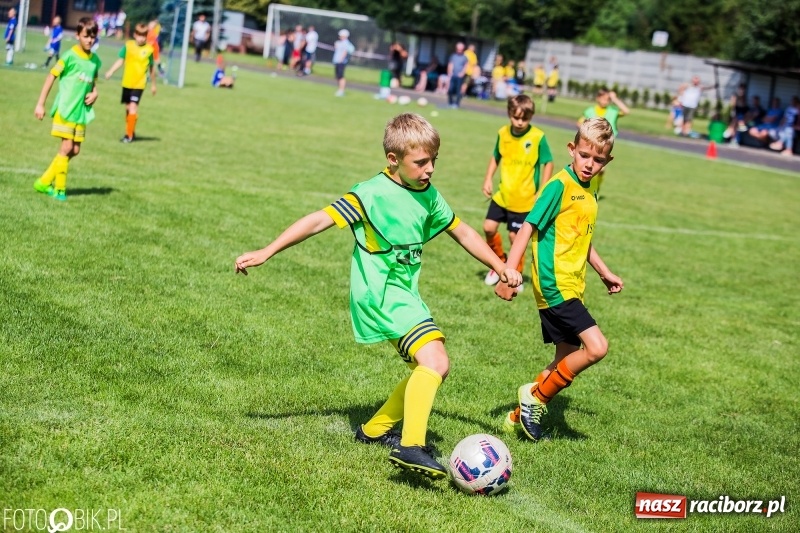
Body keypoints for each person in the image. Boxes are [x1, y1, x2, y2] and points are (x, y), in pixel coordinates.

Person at [235, 113, 522, 478]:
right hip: (379, 294)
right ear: (393, 159)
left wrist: (499, 265)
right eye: (420, 162)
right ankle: (411, 446)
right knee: (435, 362)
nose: (429, 169)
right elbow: (317, 220)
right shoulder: (370, 194)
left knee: (431, 367)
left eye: (433, 160)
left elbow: (462, 231)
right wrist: (266, 251)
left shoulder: (427, 194)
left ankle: (373, 431)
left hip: (404, 293)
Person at [494, 117, 624, 441]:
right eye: (584, 155)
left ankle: (514, 417)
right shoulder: (559, 186)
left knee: (565, 357)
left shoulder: (590, 189)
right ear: (572, 150)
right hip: (555, 286)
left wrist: (604, 271)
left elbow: (581, 237)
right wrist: (509, 271)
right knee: (597, 348)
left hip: (573, 286)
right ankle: (535, 399)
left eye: (598, 159)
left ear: (607, 161)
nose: (589, 164)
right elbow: (528, 226)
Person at [482, 94, 554, 289]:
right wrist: (488, 178)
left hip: (524, 199)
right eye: (516, 117)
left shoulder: (537, 137)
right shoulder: (503, 133)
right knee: (488, 227)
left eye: (525, 118)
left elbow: (548, 162)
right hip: (502, 194)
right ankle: (498, 264)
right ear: (509, 113)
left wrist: (542, 189)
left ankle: (515, 274)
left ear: (531, 116)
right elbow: (496, 156)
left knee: (516, 237)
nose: (520, 122)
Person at [32, 17, 101, 202]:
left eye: (93, 37)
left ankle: (44, 181)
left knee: (75, 150)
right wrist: (40, 103)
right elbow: (51, 76)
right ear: (78, 35)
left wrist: (95, 94)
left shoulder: (95, 61)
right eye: (86, 36)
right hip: (66, 109)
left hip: (81, 113)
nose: (89, 40)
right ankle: (60, 190)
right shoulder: (69, 56)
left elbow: (93, 83)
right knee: (67, 146)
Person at [104, 23, 156, 143]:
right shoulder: (128, 46)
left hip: (139, 84)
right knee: (128, 108)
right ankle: (131, 130)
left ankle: (128, 136)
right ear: (135, 35)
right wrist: (111, 71)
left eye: (144, 36)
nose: (141, 38)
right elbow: (120, 60)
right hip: (127, 82)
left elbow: (152, 69)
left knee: (133, 107)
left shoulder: (149, 50)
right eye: (139, 35)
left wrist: (153, 85)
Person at [578, 87, 629, 193]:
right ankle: (587, 188)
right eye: (604, 98)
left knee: (601, 170)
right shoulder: (590, 111)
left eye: (608, 99)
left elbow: (626, 111)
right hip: (591, 143)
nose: (606, 101)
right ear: (598, 98)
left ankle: (596, 188)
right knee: (589, 166)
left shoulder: (613, 111)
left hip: (606, 145)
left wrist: (615, 99)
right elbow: (579, 122)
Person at [332, 29, 354, 97]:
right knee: (338, 76)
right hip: (337, 61)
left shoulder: (346, 43)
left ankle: (342, 90)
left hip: (341, 62)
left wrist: (341, 60)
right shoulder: (340, 42)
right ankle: (339, 89)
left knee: (341, 76)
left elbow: (345, 52)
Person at [446, 42, 468, 109]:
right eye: (458, 49)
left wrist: (462, 73)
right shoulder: (453, 56)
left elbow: (465, 66)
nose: (459, 50)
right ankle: (450, 103)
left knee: (458, 91)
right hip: (453, 75)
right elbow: (450, 64)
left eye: (460, 49)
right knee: (450, 89)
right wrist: (450, 73)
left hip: (460, 76)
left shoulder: (464, 57)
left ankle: (456, 104)